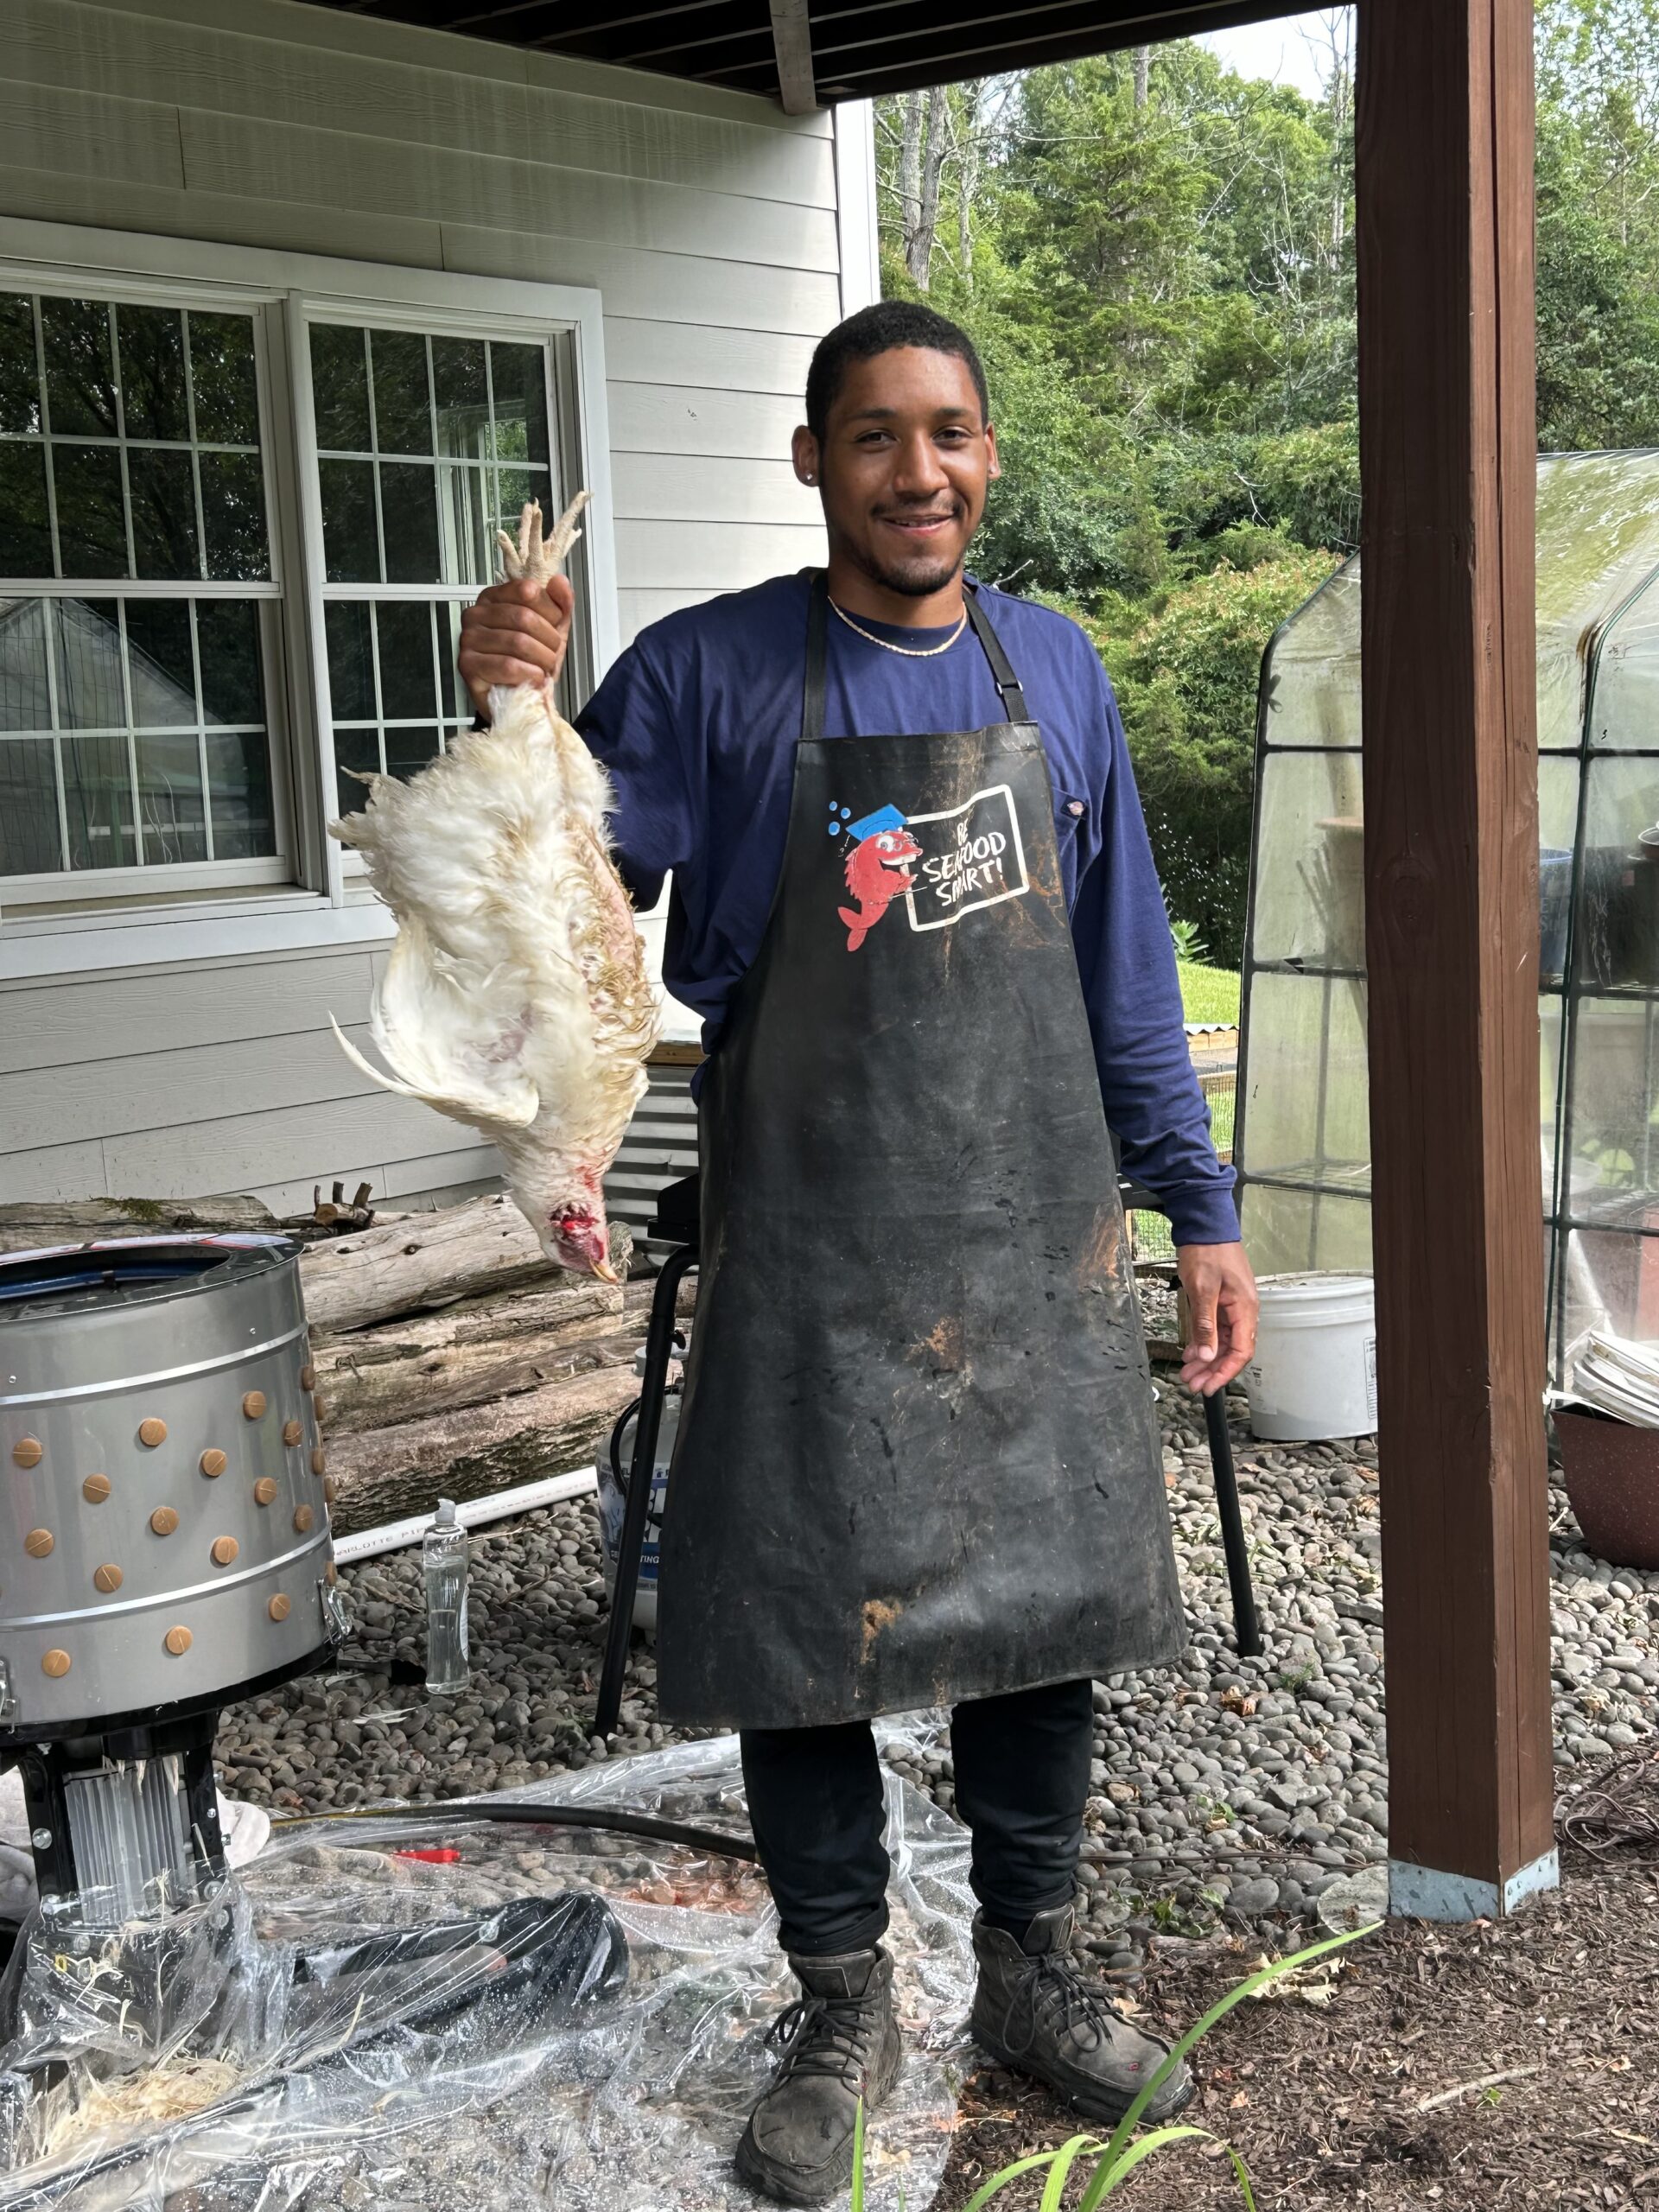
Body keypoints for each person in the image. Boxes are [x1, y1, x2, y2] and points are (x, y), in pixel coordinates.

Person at [459, 300, 1258, 2207]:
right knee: (800, 1623)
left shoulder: (1053, 672)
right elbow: (538, 883)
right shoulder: (710, 675)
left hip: (1027, 1232)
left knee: (1044, 1593)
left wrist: (1202, 1209)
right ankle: (840, 2001)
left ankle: (1029, 1970)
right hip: (807, 1231)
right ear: (813, 460)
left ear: (989, 454)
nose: (923, 470)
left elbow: (1126, 969)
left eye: (954, 433)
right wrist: (503, 706)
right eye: (879, 436)